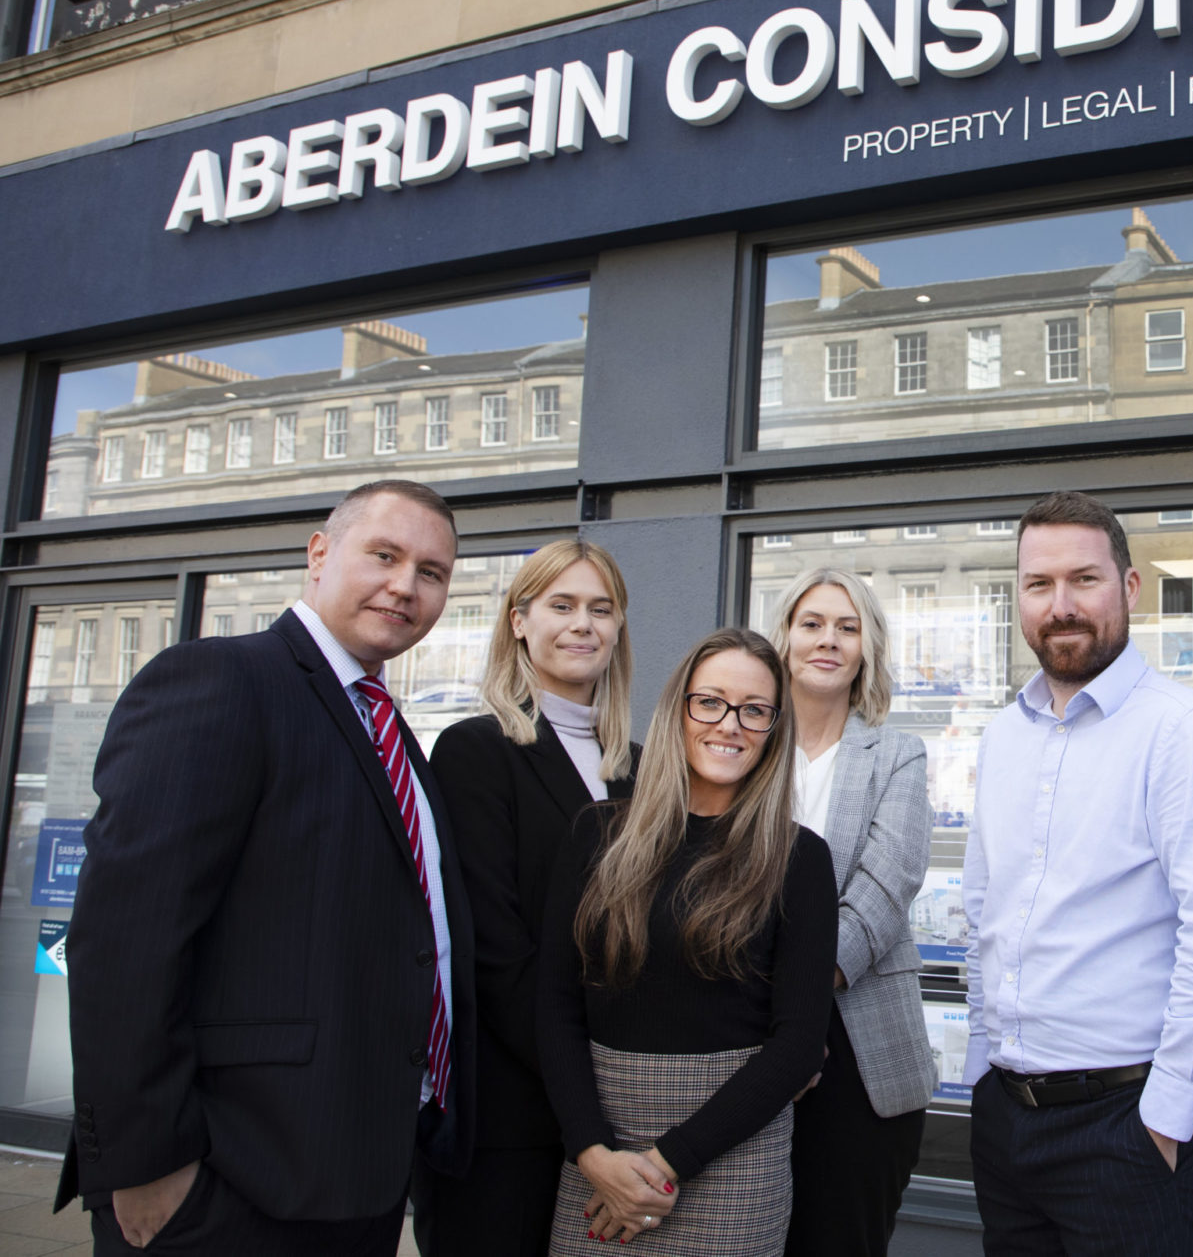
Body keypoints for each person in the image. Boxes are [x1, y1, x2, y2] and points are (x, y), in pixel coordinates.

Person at [56, 479, 476, 1255]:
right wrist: (147, 1166)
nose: (405, 585)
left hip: (356, 1172)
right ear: (319, 555)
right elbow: (124, 940)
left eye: (431, 572)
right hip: (229, 1184)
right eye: (384, 555)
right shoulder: (221, 680)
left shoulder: (391, 732)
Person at [963, 490, 1193, 1255]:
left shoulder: (1180, 731)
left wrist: (1165, 1119)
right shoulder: (1003, 735)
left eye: (1083, 580)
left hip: (1127, 1126)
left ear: (1129, 588)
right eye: (1039, 585)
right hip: (1007, 1120)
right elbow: (983, 910)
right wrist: (980, 1068)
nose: (1060, 605)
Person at [538, 629, 836, 1255]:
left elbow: (799, 1042)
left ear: (774, 730)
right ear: (679, 709)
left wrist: (670, 1161)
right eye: (711, 702)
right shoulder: (595, 836)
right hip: (600, 1151)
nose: (731, 724)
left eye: (755, 710)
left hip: (733, 1156)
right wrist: (591, 1150)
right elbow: (554, 1006)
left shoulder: (800, 858)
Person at [413, 539, 644, 1255]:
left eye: (601, 610)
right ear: (519, 620)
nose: (583, 624)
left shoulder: (640, 768)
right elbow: (494, 948)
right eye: (562, 605)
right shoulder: (474, 751)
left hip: (613, 1107)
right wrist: (587, 1090)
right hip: (509, 1115)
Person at [767, 569, 935, 1257]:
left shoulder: (897, 752)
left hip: (860, 1057)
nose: (828, 641)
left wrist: (792, 1015)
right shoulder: (742, 745)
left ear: (867, 646)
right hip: (744, 1042)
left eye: (847, 626)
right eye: (811, 624)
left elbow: (882, 894)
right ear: (783, 638)